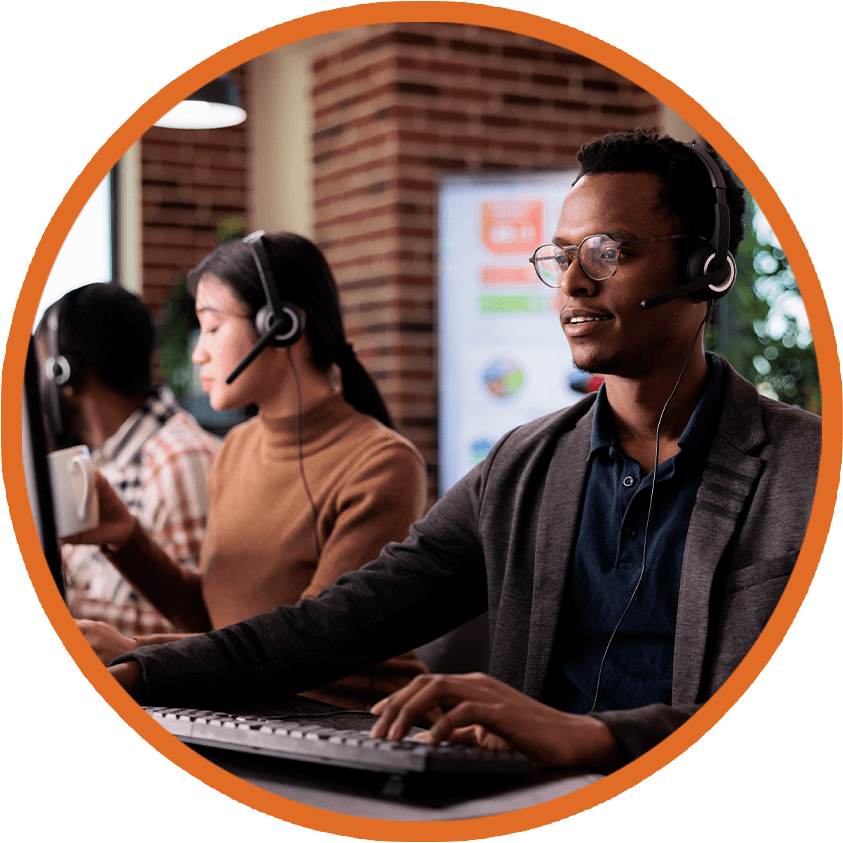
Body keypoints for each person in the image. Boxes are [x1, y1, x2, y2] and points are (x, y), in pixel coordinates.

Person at [107, 129, 820, 771]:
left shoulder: (808, 468)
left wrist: (594, 738)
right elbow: (331, 623)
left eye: (607, 252)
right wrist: (142, 672)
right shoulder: (522, 467)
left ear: (707, 269)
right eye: (561, 256)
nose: (572, 282)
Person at [70, 232, 429, 710]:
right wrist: (125, 537)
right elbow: (217, 614)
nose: (197, 353)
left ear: (279, 326)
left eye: (213, 328)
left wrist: (138, 656)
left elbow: (319, 648)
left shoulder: (382, 463)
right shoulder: (237, 446)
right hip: (251, 709)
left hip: (351, 723)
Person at [36, 282, 221, 636]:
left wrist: (56, 603)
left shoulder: (178, 459)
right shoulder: (102, 463)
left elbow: (205, 631)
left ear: (66, 373)